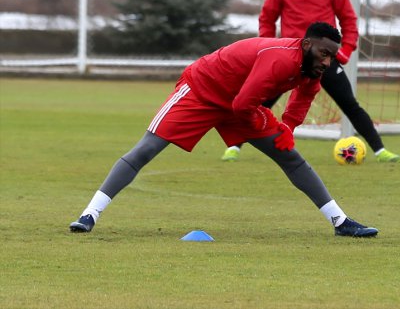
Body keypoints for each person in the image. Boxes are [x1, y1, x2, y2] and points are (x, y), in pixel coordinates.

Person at [69, 22, 378, 237]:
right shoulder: (280, 60)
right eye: (324, 54)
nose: (327, 61)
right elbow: (244, 104)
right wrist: (268, 122)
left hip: (239, 101)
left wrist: (288, 128)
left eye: (331, 56)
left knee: (291, 157)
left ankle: (340, 221)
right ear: (307, 45)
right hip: (203, 88)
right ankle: (89, 215)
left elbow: (301, 99)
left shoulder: (313, 69)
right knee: (147, 149)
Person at [221, 0, 399, 163]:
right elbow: (267, 19)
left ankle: (380, 150)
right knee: (260, 101)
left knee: (349, 103)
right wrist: (267, 48)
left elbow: (349, 21)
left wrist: (343, 52)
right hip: (288, 59)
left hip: (324, 60)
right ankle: (234, 146)